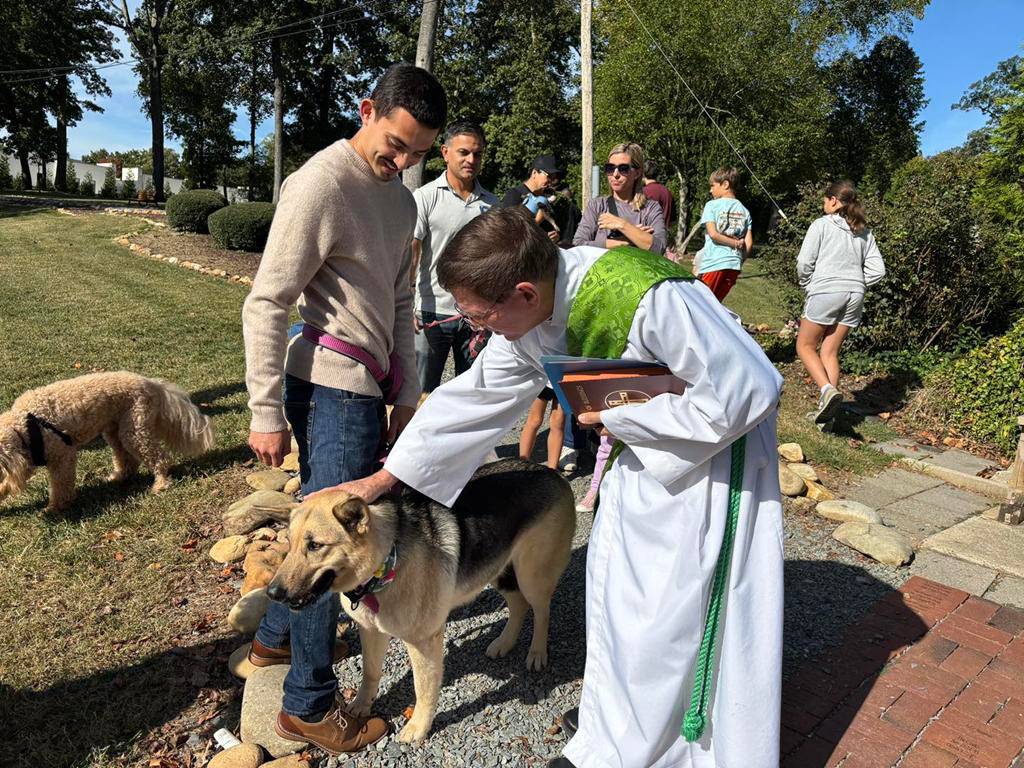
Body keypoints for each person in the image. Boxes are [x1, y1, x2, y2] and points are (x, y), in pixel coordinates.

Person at [323, 207, 785, 768]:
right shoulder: (530, 314)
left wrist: (623, 419)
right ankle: (617, 727)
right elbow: (474, 397)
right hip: (645, 461)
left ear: (523, 293)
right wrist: (385, 478)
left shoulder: (651, 297)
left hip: (710, 468)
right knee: (620, 595)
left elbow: (749, 389)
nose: (478, 330)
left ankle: (669, 743)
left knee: (669, 610)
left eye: (481, 317)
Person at [241, 63, 446, 755]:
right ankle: (307, 705)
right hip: (329, 387)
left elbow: (399, 299)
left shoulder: (403, 203)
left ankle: (274, 641)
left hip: (372, 385)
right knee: (331, 550)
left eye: (418, 153)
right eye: (395, 144)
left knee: (318, 536)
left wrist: (408, 391)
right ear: (366, 111)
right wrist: (265, 409)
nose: (403, 162)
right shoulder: (320, 184)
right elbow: (267, 301)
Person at [411, 121, 498, 394]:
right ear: (445, 152)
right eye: (464, 152)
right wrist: (405, 301)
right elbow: (410, 252)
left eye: (477, 154)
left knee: (470, 395)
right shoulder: (425, 197)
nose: (471, 159)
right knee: (419, 395)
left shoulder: (492, 205)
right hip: (431, 311)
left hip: (476, 316)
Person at [796, 179, 885, 428]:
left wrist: (807, 284)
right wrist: (856, 282)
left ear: (833, 201)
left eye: (825, 200)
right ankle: (828, 417)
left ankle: (827, 391)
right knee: (830, 352)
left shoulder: (821, 224)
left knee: (805, 346)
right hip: (855, 294)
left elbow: (804, 262)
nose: (823, 204)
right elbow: (878, 270)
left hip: (826, 290)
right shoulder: (863, 231)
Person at [572, 141, 666, 255]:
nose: (615, 174)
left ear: (637, 173)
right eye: (610, 168)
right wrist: (626, 241)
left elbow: (659, 248)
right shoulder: (597, 206)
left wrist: (622, 225)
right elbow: (578, 244)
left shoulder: (650, 208)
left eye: (623, 168)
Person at [694, 166, 752, 302]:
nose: (710, 190)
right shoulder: (745, 211)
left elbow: (713, 234)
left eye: (713, 186)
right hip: (733, 266)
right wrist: (739, 260)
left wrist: (735, 243)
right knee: (715, 305)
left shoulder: (711, 205)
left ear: (725, 184)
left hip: (714, 264)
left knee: (700, 303)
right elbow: (749, 244)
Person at [501, 154, 564, 243]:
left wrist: (555, 236)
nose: (551, 181)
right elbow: (510, 233)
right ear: (534, 173)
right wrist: (537, 221)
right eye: (549, 176)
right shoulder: (514, 195)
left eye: (554, 178)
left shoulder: (547, 199)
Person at [518, 385, 566, 470]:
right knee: (534, 421)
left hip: (562, 382)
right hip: (544, 381)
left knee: (558, 424)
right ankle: (522, 467)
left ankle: (552, 471)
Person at [642, 159, 674, 229]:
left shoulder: (643, 193)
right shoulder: (667, 192)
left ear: (643, 174)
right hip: (664, 233)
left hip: (648, 234)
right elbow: (671, 221)